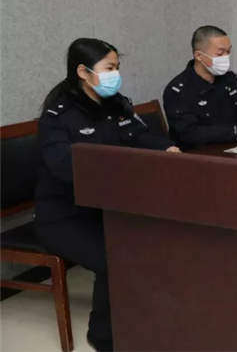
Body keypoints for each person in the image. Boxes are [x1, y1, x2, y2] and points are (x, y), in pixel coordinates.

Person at [35, 38, 180, 351]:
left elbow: (140, 136)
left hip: (107, 206)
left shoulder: (116, 104)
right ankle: (103, 336)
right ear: (83, 72)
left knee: (160, 241)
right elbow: (64, 168)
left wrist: (167, 148)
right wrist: (121, 170)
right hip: (64, 216)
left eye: (117, 67)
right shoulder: (58, 116)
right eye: (109, 68)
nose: (116, 74)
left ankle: (146, 316)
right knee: (113, 259)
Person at [163, 25, 237, 149]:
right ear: (199, 56)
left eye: (228, 52)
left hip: (233, 148)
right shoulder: (178, 90)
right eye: (220, 53)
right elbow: (190, 134)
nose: (226, 57)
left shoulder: (227, 80)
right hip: (199, 154)